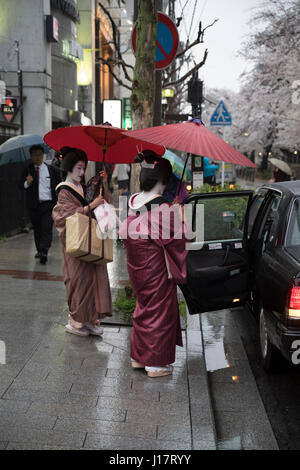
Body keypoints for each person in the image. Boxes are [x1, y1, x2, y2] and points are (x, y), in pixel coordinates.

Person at [119, 150, 188, 378]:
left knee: (143, 308)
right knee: (160, 311)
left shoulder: (133, 202)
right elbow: (181, 239)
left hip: (136, 266)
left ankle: (139, 357)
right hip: (156, 269)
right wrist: (179, 214)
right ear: (164, 180)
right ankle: (156, 364)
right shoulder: (164, 210)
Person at [52, 148, 112, 337]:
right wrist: (91, 206)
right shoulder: (64, 189)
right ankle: (76, 321)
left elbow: (104, 203)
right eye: (78, 168)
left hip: (88, 237)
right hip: (75, 239)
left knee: (93, 279)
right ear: (69, 167)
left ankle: (91, 319)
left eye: (83, 168)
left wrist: (104, 183)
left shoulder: (82, 187)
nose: (81, 172)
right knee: (78, 279)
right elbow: (65, 216)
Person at [18, 144, 61, 264]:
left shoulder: (51, 170)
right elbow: (20, 186)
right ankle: (39, 249)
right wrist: (27, 183)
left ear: (43, 155)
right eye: (34, 155)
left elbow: (58, 186)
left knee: (47, 228)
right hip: (34, 205)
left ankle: (44, 251)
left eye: (40, 154)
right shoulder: (27, 170)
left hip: (48, 204)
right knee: (37, 229)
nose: (37, 157)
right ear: (31, 157)